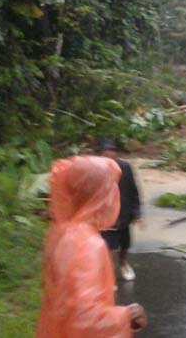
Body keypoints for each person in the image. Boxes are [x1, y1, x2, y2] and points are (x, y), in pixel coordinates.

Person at [37, 156, 147, 337]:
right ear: (100, 193)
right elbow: (85, 320)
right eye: (111, 187)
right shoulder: (87, 244)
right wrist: (127, 316)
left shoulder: (62, 232)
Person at [98, 139, 142, 281]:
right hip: (105, 215)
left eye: (111, 151)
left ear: (116, 153)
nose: (108, 154)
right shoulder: (96, 170)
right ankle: (108, 274)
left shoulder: (126, 167)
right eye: (105, 152)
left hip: (124, 213)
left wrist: (136, 213)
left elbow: (133, 191)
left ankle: (123, 264)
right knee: (108, 246)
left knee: (125, 244)